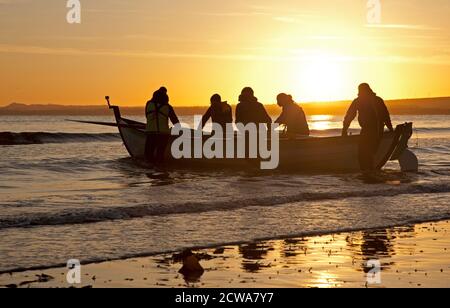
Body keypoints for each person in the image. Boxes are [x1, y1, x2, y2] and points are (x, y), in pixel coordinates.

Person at [342, 83, 394, 172]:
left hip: (372, 130)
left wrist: (344, 130)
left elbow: (350, 116)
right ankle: (369, 170)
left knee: (364, 153)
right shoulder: (374, 100)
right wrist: (391, 130)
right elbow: (386, 116)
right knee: (368, 152)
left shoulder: (363, 101)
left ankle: (367, 171)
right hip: (373, 130)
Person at [145, 87, 180, 164]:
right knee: (160, 154)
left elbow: (147, 116)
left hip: (150, 133)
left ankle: (149, 171)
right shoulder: (168, 107)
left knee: (148, 153)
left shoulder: (148, 104)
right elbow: (175, 121)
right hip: (163, 134)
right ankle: (161, 170)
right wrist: (180, 131)